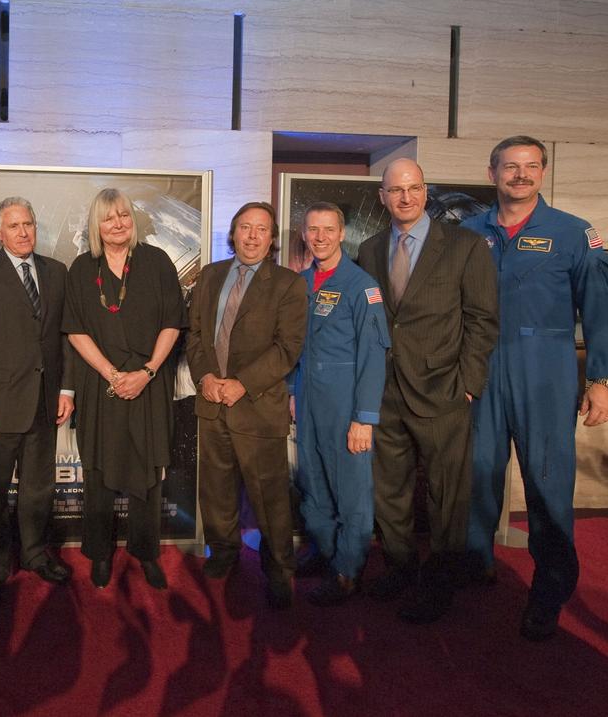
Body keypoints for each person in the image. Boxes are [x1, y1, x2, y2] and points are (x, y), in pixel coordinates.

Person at [461, 136, 608, 641]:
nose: (521, 175)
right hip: (481, 374)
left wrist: (603, 379)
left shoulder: (573, 234)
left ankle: (549, 590)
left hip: (545, 377)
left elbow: (599, 310)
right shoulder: (468, 234)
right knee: (476, 476)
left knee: (547, 483)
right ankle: (475, 563)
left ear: (544, 172)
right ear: (492, 173)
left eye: (531, 166)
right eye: (510, 167)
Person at [356, 159, 499, 624]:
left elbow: (481, 321)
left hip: (443, 393)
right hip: (386, 393)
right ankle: (400, 567)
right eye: (395, 190)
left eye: (414, 188)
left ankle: (439, 584)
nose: (405, 197)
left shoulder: (465, 246)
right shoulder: (371, 249)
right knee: (389, 491)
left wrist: (469, 386)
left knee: (446, 496)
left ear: (425, 192)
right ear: (382, 197)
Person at [0, 197, 76, 612]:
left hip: (45, 403)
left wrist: (67, 390)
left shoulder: (57, 273)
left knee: (38, 489)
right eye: (15, 226)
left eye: (29, 224)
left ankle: (36, 555)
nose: (24, 232)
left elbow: (65, 338)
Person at [63, 188, 186, 590]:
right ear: (96, 226)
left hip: (149, 383)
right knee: (98, 472)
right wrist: (112, 374)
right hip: (102, 385)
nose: (118, 224)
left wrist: (148, 371)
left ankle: (146, 552)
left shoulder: (157, 262)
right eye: (109, 218)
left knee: (148, 473)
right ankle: (99, 554)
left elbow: (172, 322)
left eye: (124, 216)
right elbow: (75, 330)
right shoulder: (83, 268)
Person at [186, 201, 307, 608]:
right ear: (233, 233)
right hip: (212, 401)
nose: (252, 236)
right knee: (217, 489)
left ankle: (279, 569)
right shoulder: (210, 276)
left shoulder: (288, 284)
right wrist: (204, 378)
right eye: (245, 227)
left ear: (272, 239)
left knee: (269, 495)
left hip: (256, 404)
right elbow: (196, 335)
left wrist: (241, 384)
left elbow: (288, 348)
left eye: (261, 229)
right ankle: (223, 551)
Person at [290, 201, 389, 607]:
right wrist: (290, 395)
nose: (320, 237)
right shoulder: (299, 284)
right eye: (313, 230)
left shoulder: (361, 285)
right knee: (312, 484)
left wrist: (363, 419)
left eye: (328, 229)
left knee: (351, 493)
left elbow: (373, 355)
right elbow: (294, 349)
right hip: (308, 402)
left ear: (343, 233)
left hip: (346, 405)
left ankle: (348, 570)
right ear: (304, 235)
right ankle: (327, 552)